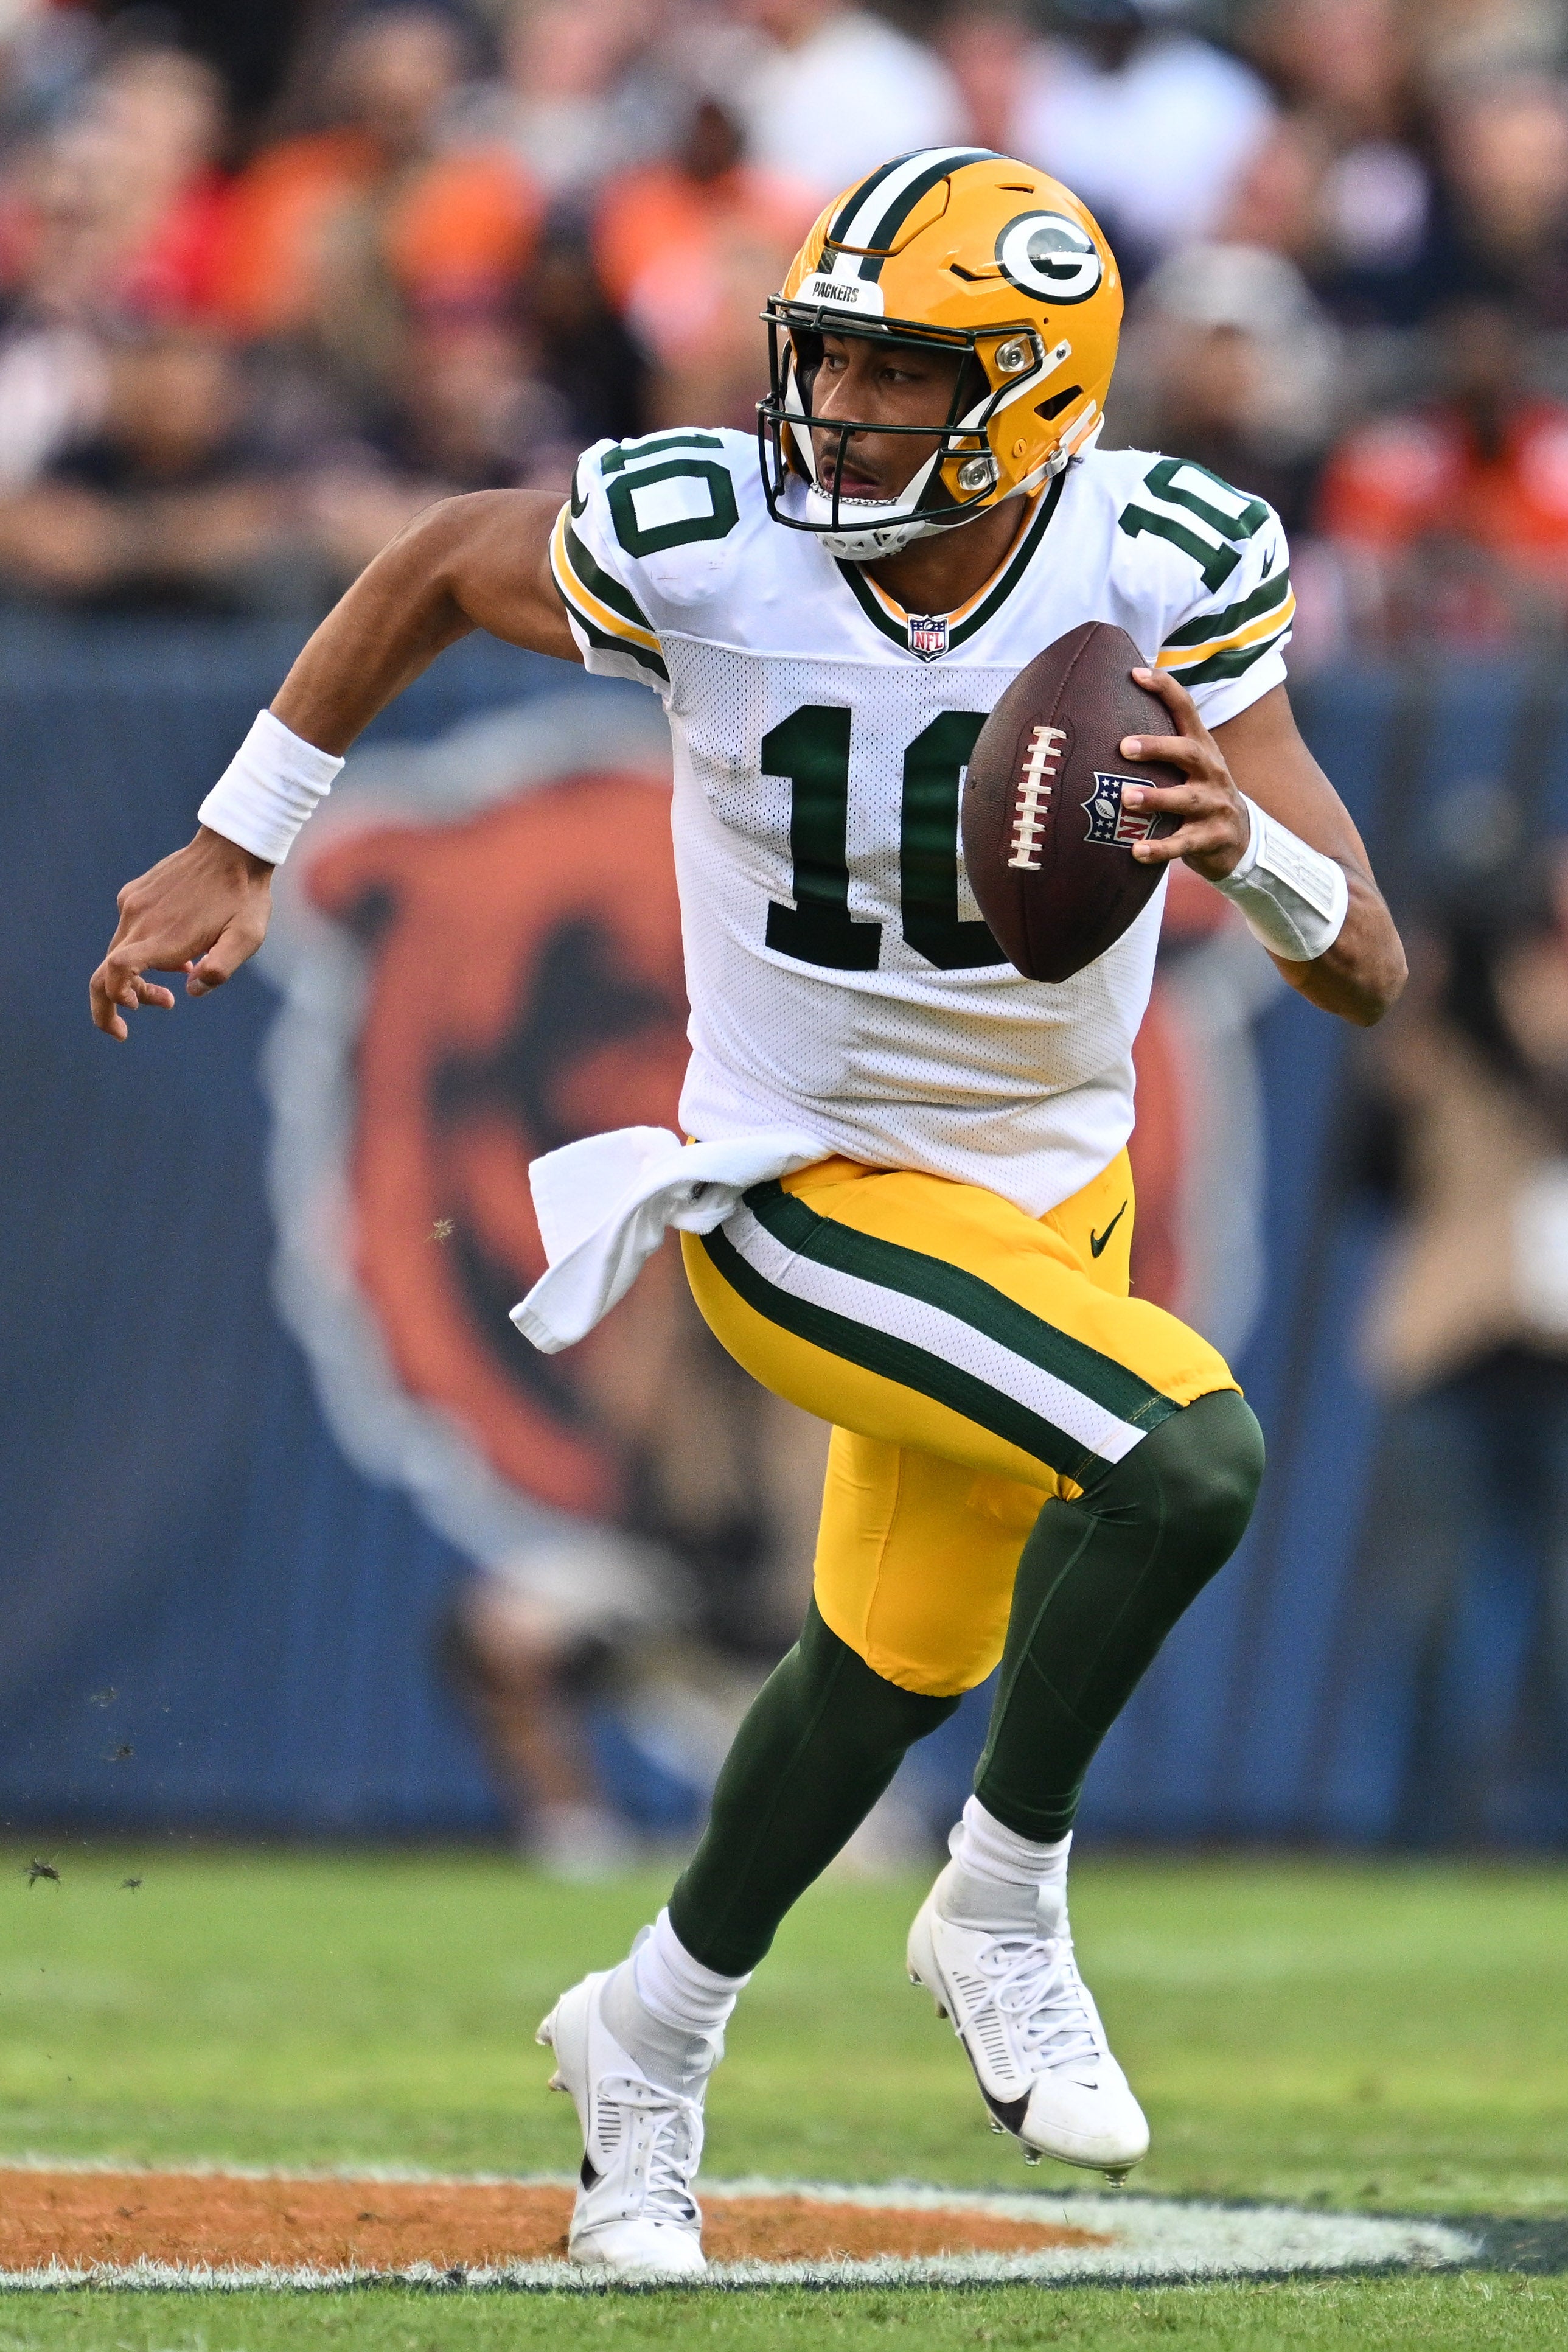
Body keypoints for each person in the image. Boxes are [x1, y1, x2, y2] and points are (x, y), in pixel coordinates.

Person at [91, 147, 1406, 2277]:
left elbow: (1368, 964)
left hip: (1045, 1197)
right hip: (788, 1177)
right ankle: (1000, 1893)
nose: (837, 415)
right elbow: (434, 557)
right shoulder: (712, 540)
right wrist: (248, 833)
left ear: (1033, 398)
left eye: (897, 380)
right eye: (830, 361)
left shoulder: (1166, 559)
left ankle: (647, 2034)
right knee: (1190, 1455)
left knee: (879, 1666)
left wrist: (1239, 841)